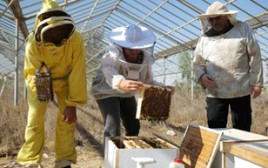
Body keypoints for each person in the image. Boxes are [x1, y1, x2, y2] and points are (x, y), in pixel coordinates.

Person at [17, 0, 87, 168]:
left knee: (67, 120)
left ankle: (63, 161)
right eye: (54, 30)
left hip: (66, 80)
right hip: (40, 79)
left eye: (61, 30)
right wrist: (42, 91)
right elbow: (32, 71)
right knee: (35, 118)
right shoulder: (32, 43)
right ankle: (30, 161)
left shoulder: (76, 39)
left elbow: (78, 71)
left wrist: (72, 104)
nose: (58, 33)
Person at [91, 24, 174, 140]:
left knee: (134, 126)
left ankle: (128, 153)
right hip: (107, 91)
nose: (135, 51)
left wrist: (164, 88)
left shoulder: (145, 59)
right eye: (130, 48)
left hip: (127, 93)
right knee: (113, 129)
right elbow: (110, 71)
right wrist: (120, 83)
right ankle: (111, 157)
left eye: (138, 47)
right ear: (122, 45)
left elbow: (148, 81)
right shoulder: (112, 55)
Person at [193, 1, 263, 132]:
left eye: (218, 17)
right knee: (215, 130)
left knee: (242, 131)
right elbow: (197, 63)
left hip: (240, 90)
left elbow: (255, 55)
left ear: (227, 16)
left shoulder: (243, 29)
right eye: (211, 19)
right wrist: (201, 76)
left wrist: (257, 82)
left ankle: (241, 153)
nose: (215, 22)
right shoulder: (204, 38)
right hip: (215, 92)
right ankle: (220, 153)